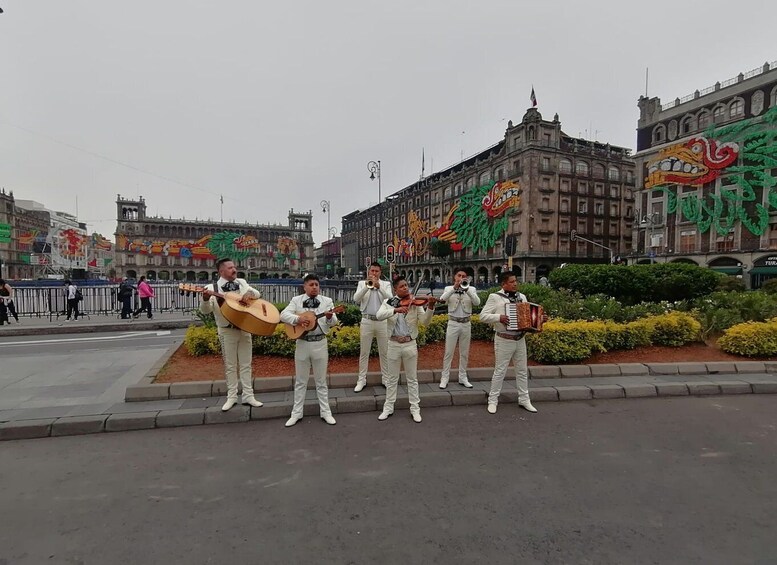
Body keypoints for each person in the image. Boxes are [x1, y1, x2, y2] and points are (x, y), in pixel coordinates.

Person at [479, 271, 548, 415]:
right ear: (503, 284)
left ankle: (524, 399)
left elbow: (527, 318)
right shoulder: (495, 297)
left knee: (522, 371)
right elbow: (482, 316)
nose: (515, 284)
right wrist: (499, 317)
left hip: (520, 338)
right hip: (504, 339)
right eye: (511, 282)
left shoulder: (522, 297)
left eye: (515, 281)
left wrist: (540, 319)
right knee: (500, 371)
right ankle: (493, 400)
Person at [201, 258, 264, 411]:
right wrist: (205, 299)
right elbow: (205, 311)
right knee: (230, 366)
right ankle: (232, 397)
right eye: (230, 268)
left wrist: (249, 293)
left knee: (246, 364)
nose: (234, 270)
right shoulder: (211, 287)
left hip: (244, 328)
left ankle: (249, 395)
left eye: (234, 267)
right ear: (221, 271)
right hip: (226, 330)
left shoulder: (242, 282)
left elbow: (257, 294)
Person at [281, 273, 338, 427]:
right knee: (300, 381)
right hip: (302, 343)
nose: (314, 287)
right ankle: (296, 413)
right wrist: (298, 319)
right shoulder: (296, 300)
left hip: (320, 343)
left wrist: (328, 317)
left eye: (316, 285)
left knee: (321, 381)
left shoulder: (327, 301)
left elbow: (334, 322)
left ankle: (326, 412)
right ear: (304, 286)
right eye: (311, 285)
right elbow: (283, 314)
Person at [375, 276, 435, 423]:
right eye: (402, 286)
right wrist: (395, 310)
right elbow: (379, 315)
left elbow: (425, 322)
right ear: (395, 289)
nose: (406, 288)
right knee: (392, 379)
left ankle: (415, 409)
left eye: (406, 285)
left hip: (410, 344)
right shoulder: (388, 302)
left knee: (412, 379)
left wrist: (431, 307)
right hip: (393, 344)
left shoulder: (415, 303)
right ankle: (388, 408)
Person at [352, 262, 393, 392]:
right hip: (367, 320)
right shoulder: (361, 284)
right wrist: (366, 287)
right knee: (364, 352)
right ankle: (361, 380)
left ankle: (386, 379)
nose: (374, 273)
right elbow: (356, 299)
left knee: (384, 352)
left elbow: (391, 300)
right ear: (368, 272)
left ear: (380, 273)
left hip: (382, 321)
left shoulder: (385, 285)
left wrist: (379, 287)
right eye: (372, 271)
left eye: (376, 271)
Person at [438, 268, 481, 389]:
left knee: (464, 352)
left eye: (464, 276)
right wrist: (454, 288)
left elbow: (477, 303)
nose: (461, 278)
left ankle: (463, 377)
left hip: (466, 323)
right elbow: (442, 300)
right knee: (448, 352)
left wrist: (467, 290)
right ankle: (444, 377)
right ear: (454, 277)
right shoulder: (448, 289)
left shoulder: (471, 289)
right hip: (453, 323)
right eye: (459, 275)